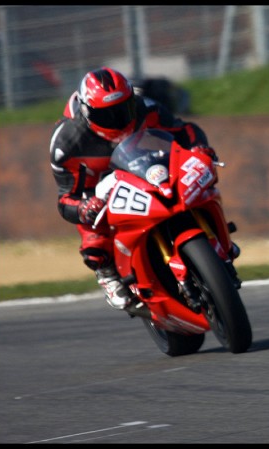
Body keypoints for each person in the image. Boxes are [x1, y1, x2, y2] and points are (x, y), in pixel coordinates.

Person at [49, 67, 218, 311]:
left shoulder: (146, 108)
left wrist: (200, 148)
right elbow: (66, 199)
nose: (118, 119)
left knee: (200, 179)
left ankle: (213, 235)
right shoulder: (66, 143)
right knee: (94, 241)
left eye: (123, 109)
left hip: (144, 164)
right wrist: (84, 207)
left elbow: (186, 131)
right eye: (108, 115)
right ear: (87, 114)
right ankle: (107, 273)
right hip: (99, 185)